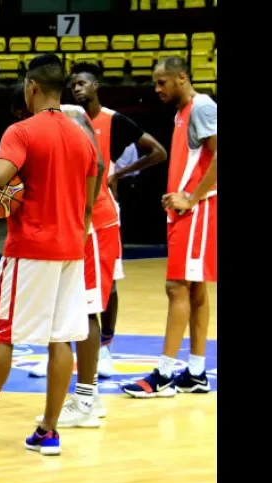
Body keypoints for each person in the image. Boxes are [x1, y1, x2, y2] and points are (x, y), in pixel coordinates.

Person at [0, 55, 101, 456]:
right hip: (71, 250)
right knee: (61, 340)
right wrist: (76, 232)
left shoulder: (22, 131)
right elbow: (91, 195)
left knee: (3, 337)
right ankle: (48, 430)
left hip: (30, 249)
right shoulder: (82, 136)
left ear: (31, 87)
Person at [9, 83, 113, 427]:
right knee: (72, 314)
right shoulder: (49, 122)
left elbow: (97, 161)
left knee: (87, 310)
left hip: (86, 226)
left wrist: (85, 213)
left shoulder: (68, 116)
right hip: (74, 225)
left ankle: (86, 398)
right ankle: (84, 395)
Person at [122, 57, 217, 397]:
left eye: (162, 82)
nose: (157, 89)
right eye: (155, 83)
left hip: (198, 213)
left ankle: (162, 375)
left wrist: (191, 198)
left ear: (181, 77)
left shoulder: (202, 107)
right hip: (189, 213)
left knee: (176, 288)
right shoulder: (182, 113)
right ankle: (195, 372)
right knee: (195, 291)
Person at [68, 62, 168, 379]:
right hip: (71, 210)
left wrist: (118, 174)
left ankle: (105, 348)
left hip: (102, 212)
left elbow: (158, 152)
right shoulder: (68, 120)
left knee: (107, 284)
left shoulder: (114, 121)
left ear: (97, 85)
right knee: (70, 281)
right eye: (73, 84)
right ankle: (69, 350)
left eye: (83, 83)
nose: (77, 88)